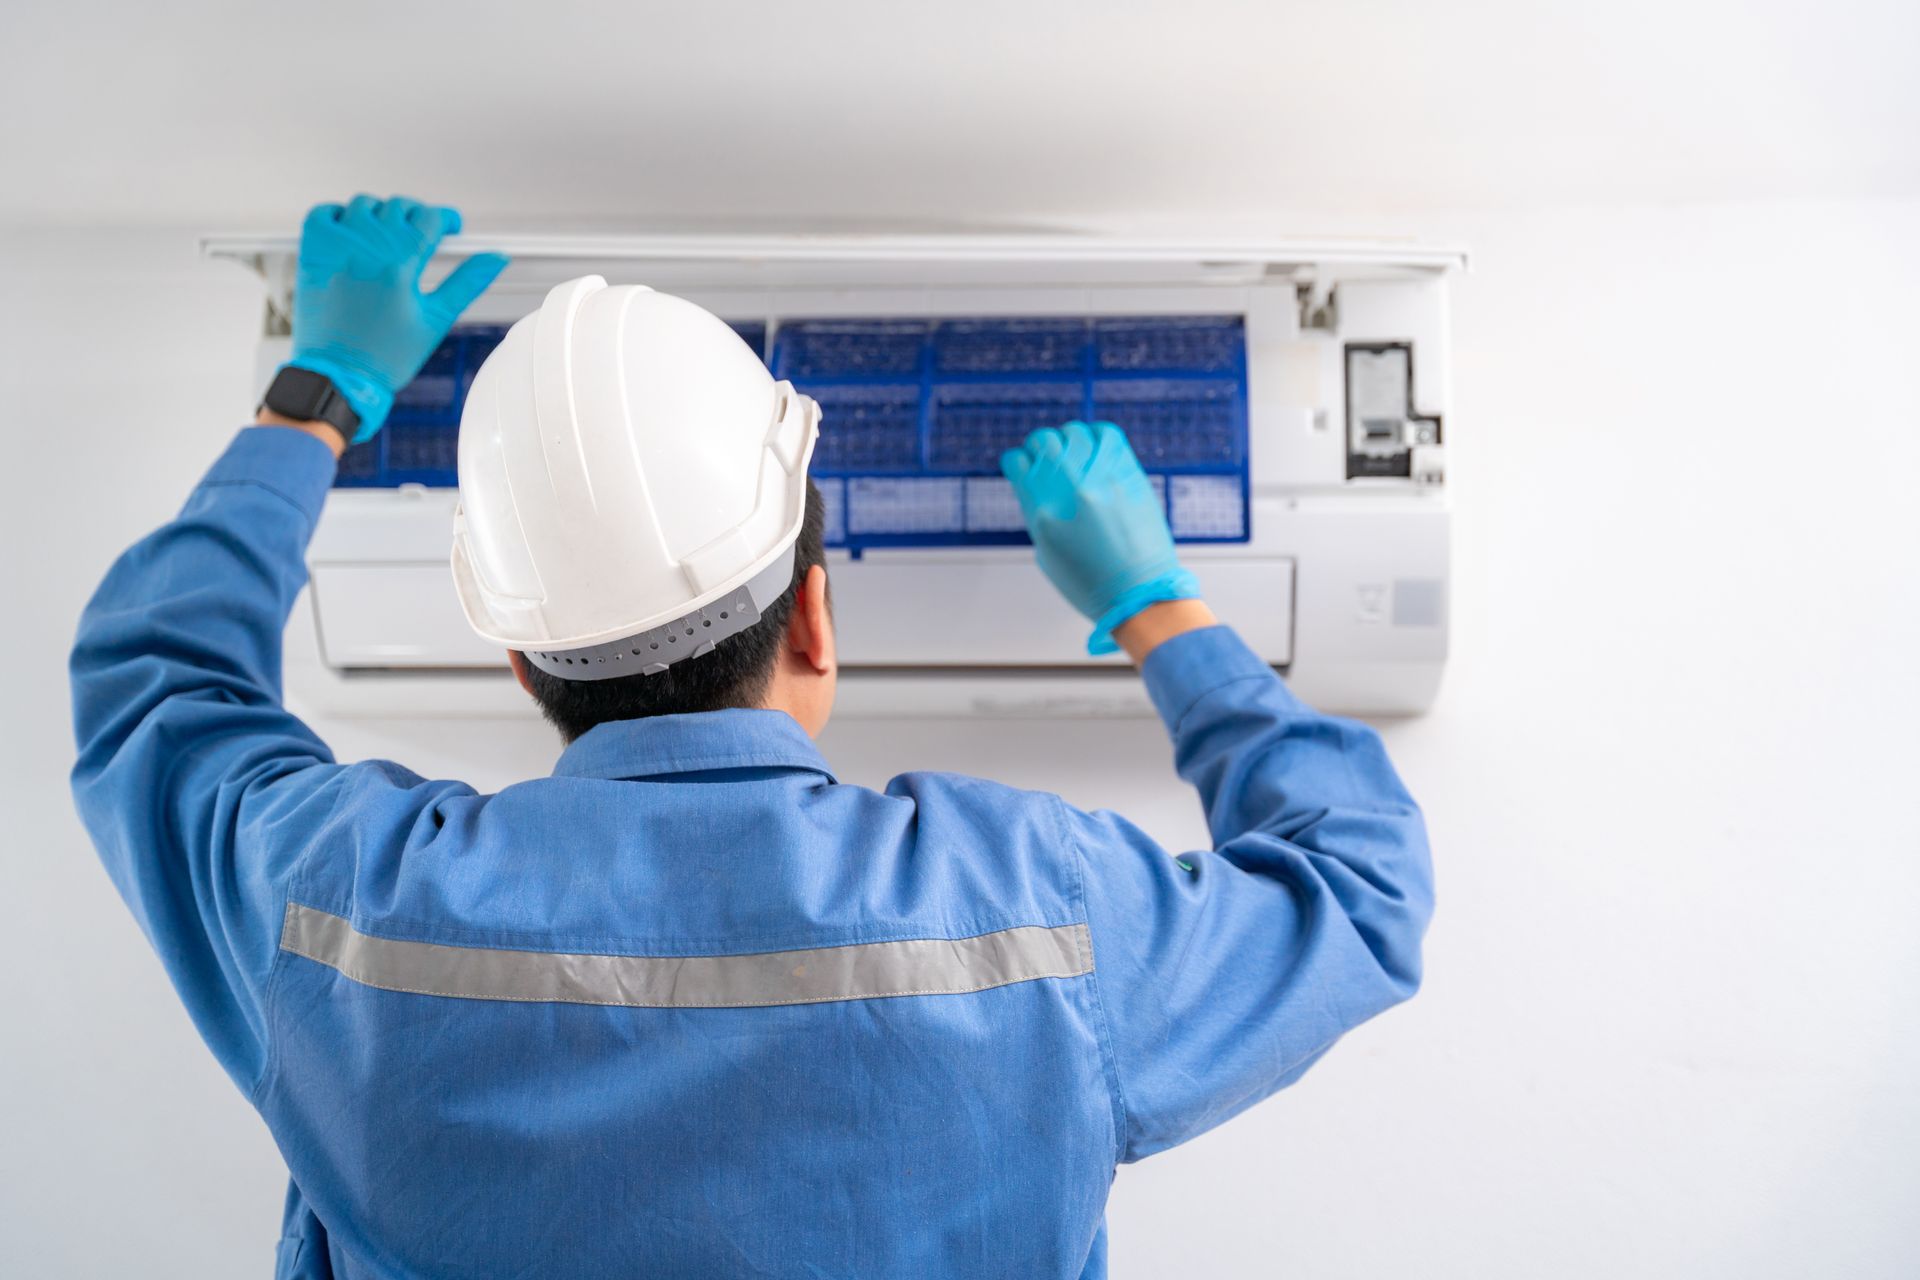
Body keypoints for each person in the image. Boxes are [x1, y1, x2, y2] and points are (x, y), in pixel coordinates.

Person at [70, 195, 1434, 1279]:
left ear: (520, 657)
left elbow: (153, 687)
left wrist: (314, 393)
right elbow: (1364, 889)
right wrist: (1156, 605)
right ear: (817, 622)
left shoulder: (336, 903)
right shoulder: (1036, 910)